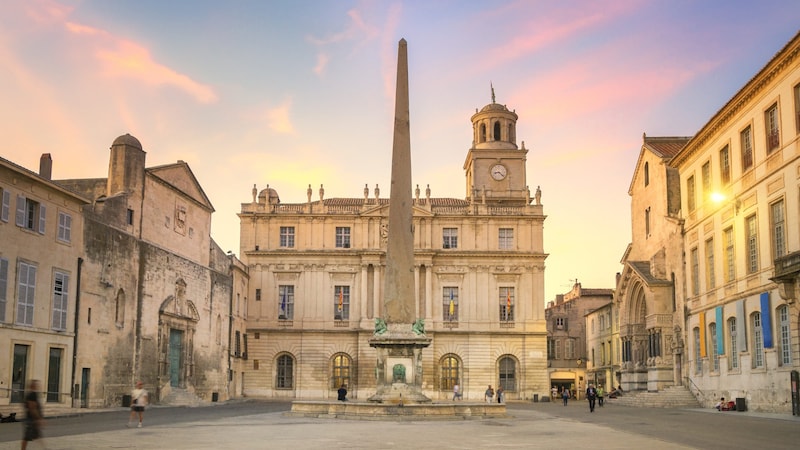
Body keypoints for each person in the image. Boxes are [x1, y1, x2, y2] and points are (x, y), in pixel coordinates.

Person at [21, 380, 44, 450]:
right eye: (37, 385)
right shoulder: (32, 395)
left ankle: (44, 448)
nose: (38, 386)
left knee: (37, 436)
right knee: (27, 437)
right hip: (31, 420)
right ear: (33, 386)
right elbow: (32, 408)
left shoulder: (29, 394)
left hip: (31, 419)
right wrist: (38, 418)